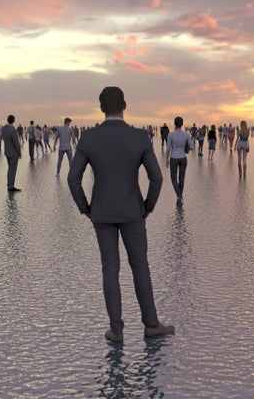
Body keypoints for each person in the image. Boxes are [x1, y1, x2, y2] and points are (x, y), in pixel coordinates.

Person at [67, 86, 174, 343]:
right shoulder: (139, 138)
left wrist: (86, 208)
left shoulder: (89, 138)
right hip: (133, 211)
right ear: (124, 105)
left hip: (101, 213)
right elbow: (157, 177)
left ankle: (116, 330)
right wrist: (148, 206)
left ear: (101, 108)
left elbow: (73, 179)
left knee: (110, 269)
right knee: (140, 267)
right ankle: (151, 324)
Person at [166, 116, 193, 207]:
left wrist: (166, 160)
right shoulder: (186, 135)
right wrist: (186, 150)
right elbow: (191, 147)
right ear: (182, 124)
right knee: (181, 179)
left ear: (174, 123)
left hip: (174, 157)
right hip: (183, 158)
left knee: (173, 178)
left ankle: (179, 197)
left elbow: (169, 149)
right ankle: (180, 198)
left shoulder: (171, 135)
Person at [2, 114, 22, 192]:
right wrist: (19, 153)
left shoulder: (4, 129)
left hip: (7, 151)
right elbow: (16, 143)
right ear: (13, 121)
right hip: (13, 153)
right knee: (13, 170)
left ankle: (9, 183)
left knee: (10, 168)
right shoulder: (13, 130)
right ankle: (11, 186)